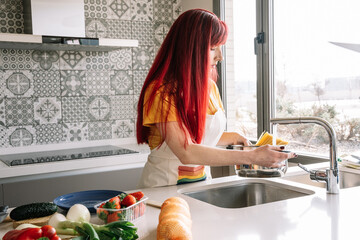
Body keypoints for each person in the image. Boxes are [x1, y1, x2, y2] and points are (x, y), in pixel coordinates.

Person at [136, 9, 296, 188]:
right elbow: (185, 151)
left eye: (220, 48)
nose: (220, 57)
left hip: (200, 185)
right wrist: (253, 156)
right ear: (189, 48)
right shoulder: (161, 92)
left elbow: (201, 137)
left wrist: (234, 137)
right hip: (163, 189)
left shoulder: (210, 88)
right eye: (213, 48)